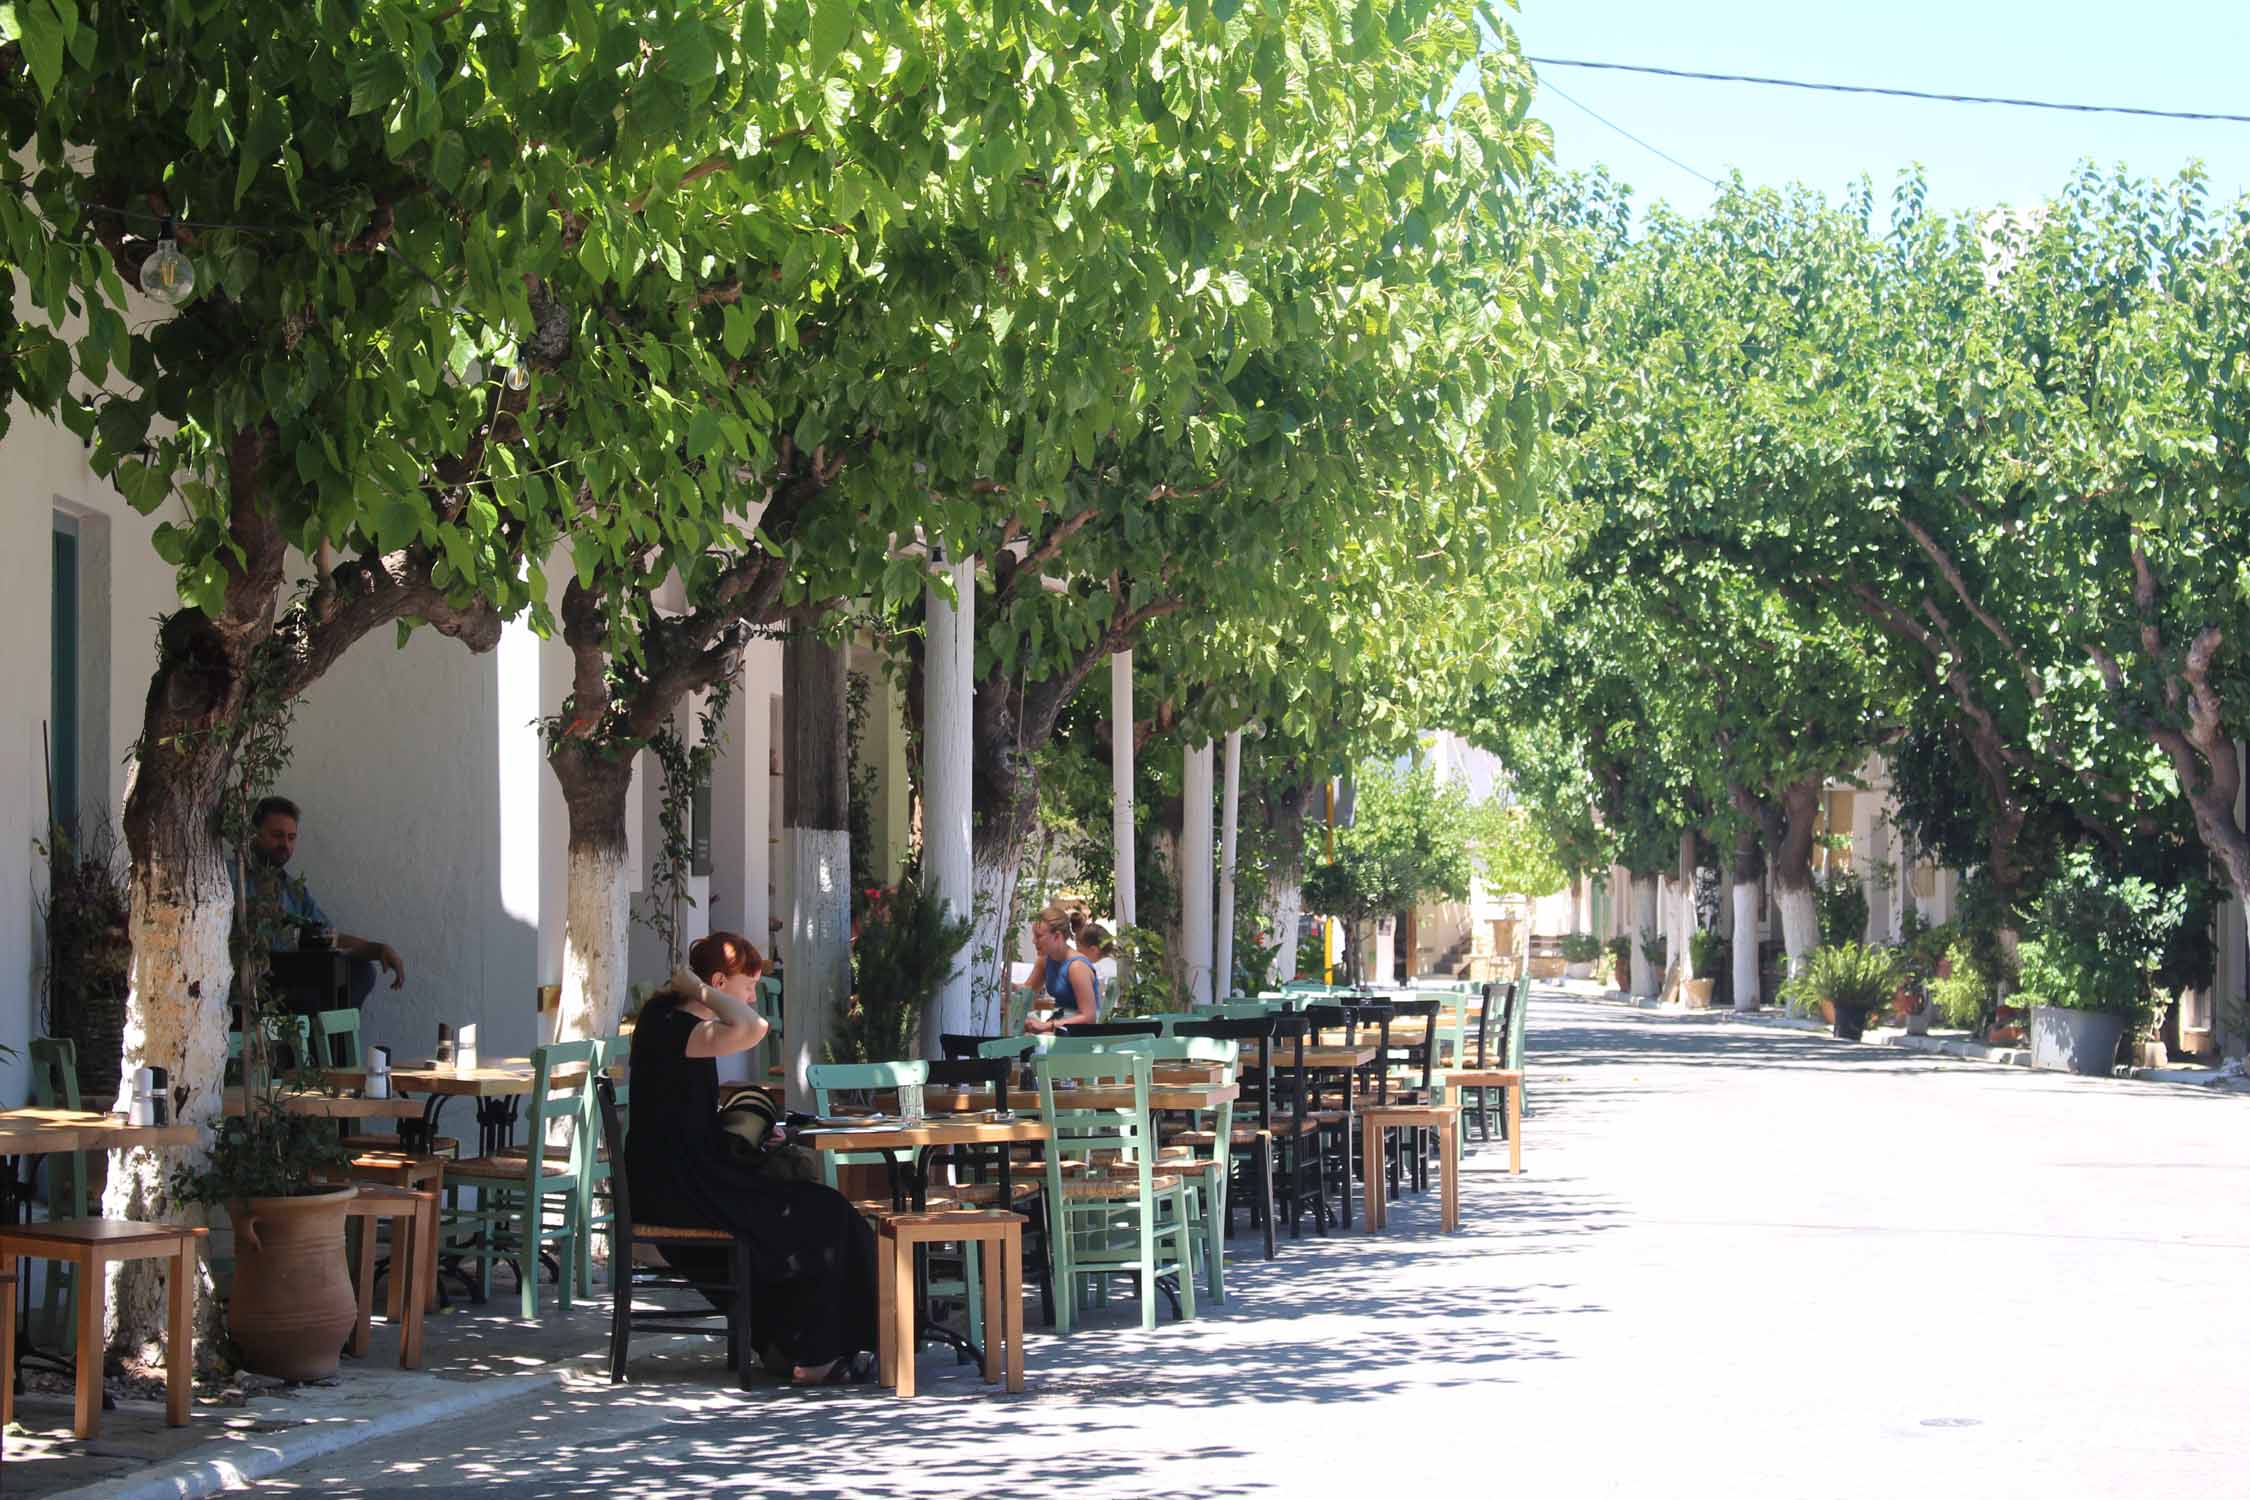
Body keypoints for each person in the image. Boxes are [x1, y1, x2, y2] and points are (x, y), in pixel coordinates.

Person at [628, 931, 879, 1385]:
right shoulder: (676, 1026)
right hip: (682, 1188)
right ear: (720, 982)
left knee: (818, 1209)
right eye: (748, 987)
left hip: (690, 1176)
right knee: (824, 1213)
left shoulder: (677, 1023)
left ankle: (790, 1344)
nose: (752, 997)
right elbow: (754, 1029)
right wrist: (700, 988)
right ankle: (814, 1352)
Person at [240, 796, 405, 1003]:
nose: (285, 844)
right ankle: (314, 1031)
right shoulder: (228, 878)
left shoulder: (294, 891)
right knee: (311, 991)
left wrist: (378, 949)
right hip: (249, 979)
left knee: (361, 972)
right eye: (277, 835)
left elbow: (327, 937)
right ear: (254, 835)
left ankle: (325, 1033)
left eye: (292, 837)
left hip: (290, 979)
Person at [1020, 903, 1101, 1033]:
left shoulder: (1077, 967)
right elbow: (1027, 995)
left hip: (1080, 1033)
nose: (1034, 941)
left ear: (1057, 936)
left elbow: (1089, 1018)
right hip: (1060, 1025)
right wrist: (1008, 987)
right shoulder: (1045, 960)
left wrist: (1048, 1026)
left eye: (1039, 936)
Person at [1077, 923, 1120, 992]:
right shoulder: (1120, 966)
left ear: (1093, 950)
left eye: (1079, 950)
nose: (1077, 954)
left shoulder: (1093, 971)